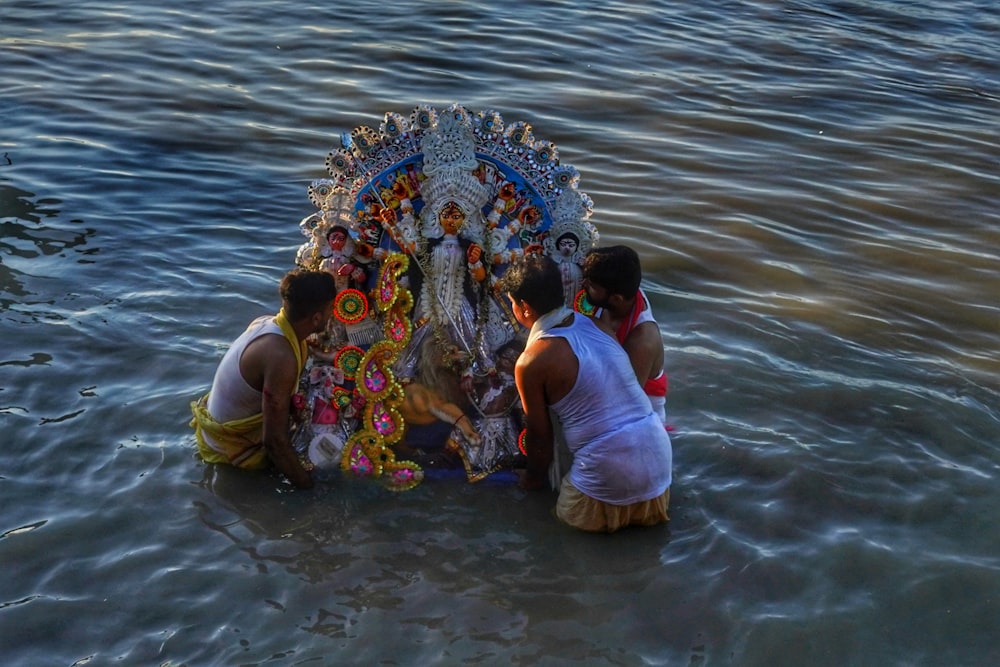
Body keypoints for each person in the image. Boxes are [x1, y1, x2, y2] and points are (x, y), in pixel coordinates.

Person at [498, 255, 672, 532]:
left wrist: (532, 480)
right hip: (660, 469)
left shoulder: (531, 362)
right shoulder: (600, 325)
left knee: (559, 533)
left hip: (604, 476)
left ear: (525, 309)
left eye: (512, 303)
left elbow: (540, 436)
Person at [190, 269, 338, 489]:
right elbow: (274, 442)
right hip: (229, 450)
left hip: (219, 427)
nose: (331, 316)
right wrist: (309, 488)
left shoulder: (268, 323)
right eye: (329, 311)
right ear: (317, 317)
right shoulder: (280, 357)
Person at [582, 245, 668, 425]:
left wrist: (597, 329)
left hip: (638, 423)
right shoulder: (622, 291)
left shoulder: (643, 340)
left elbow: (622, 404)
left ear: (616, 299)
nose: (583, 286)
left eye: (592, 286)